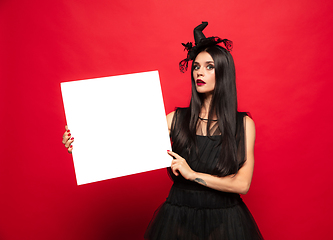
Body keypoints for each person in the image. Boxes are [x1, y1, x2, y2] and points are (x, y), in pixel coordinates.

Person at [62, 22, 263, 240]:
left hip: (226, 220)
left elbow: (243, 184)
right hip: (179, 217)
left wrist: (193, 175)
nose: (200, 72)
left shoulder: (242, 124)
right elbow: (125, 143)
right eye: (196, 66)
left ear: (224, 72)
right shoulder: (175, 119)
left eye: (209, 66)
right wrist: (82, 148)